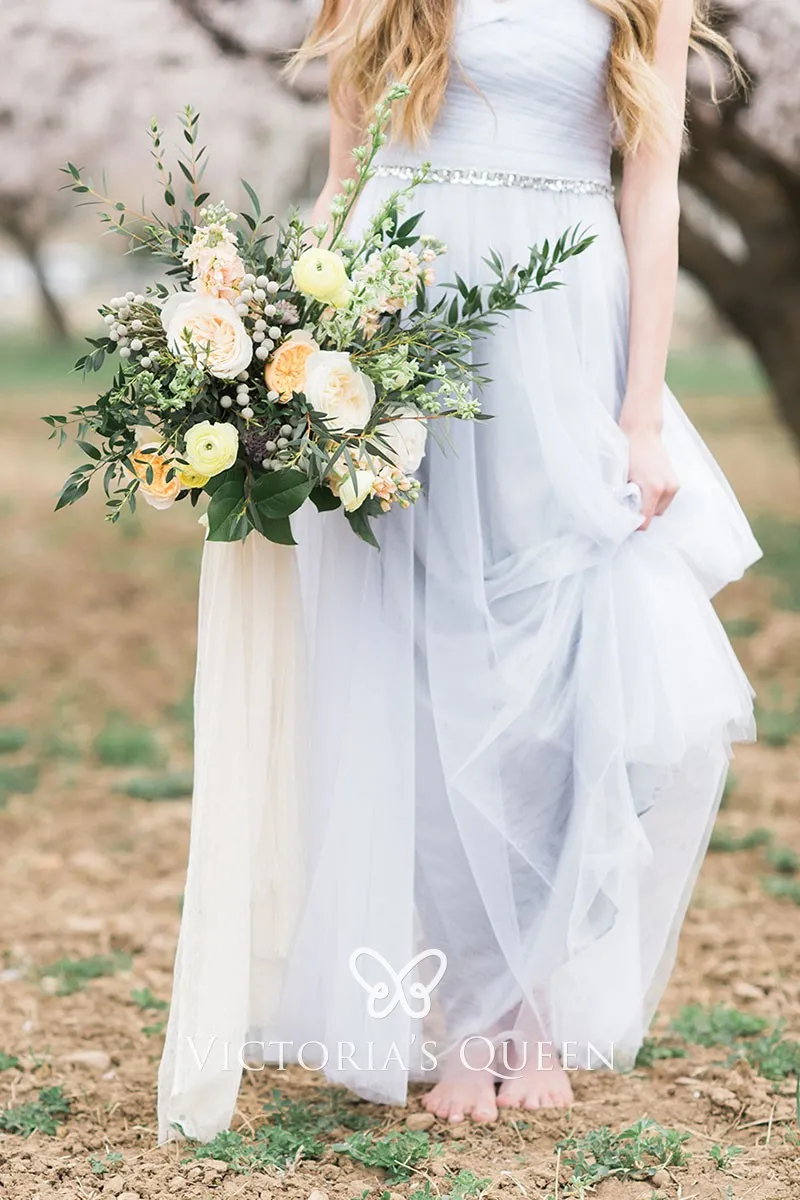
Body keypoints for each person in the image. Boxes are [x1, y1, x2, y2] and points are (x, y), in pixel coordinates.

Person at [158, 0, 761, 1140]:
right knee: (422, 669)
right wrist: (272, 347)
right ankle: (461, 1017)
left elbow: (649, 187)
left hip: (562, 328)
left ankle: (530, 996)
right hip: (398, 329)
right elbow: (345, 177)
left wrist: (639, 415)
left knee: (565, 662)